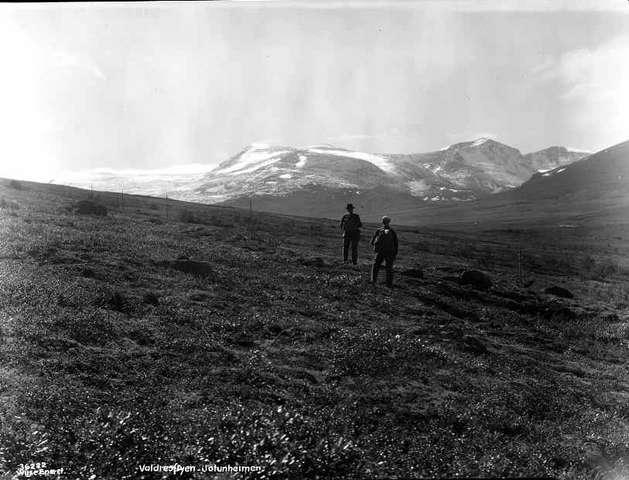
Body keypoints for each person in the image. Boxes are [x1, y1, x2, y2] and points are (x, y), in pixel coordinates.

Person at [370, 216, 398, 287]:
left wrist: (376, 246)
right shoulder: (392, 231)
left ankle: (373, 280)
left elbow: (372, 241)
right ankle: (388, 284)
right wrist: (395, 253)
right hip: (388, 252)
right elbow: (396, 244)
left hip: (381, 251)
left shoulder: (379, 230)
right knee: (388, 267)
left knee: (376, 265)